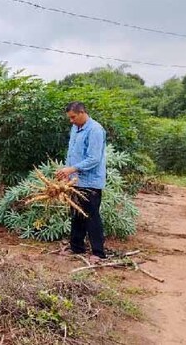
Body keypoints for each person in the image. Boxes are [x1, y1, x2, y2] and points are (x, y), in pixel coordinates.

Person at [55, 102, 107, 263]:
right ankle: (77, 247)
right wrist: (67, 172)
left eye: (73, 117)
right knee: (76, 214)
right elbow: (72, 153)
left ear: (82, 112)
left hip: (90, 182)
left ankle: (98, 253)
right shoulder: (75, 128)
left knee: (91, 216)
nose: (71, 120)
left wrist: (71, 169)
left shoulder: (95, 130)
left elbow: (94, 158)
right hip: (76, 181)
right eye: (69, 118)